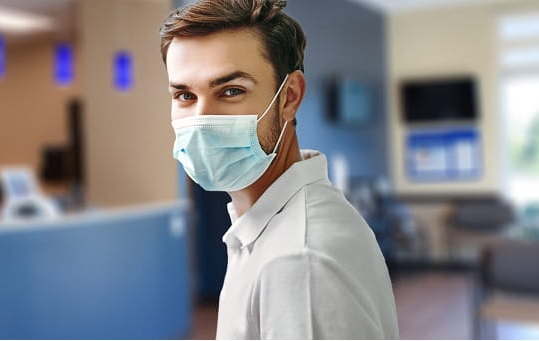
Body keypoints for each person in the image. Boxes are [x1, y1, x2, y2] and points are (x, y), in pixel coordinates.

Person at [160, 0, 399, 339]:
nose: (202, 120)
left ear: (289, 96)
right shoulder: (274, 226)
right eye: (184, 95)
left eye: (231, 91)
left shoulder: (297, 261)